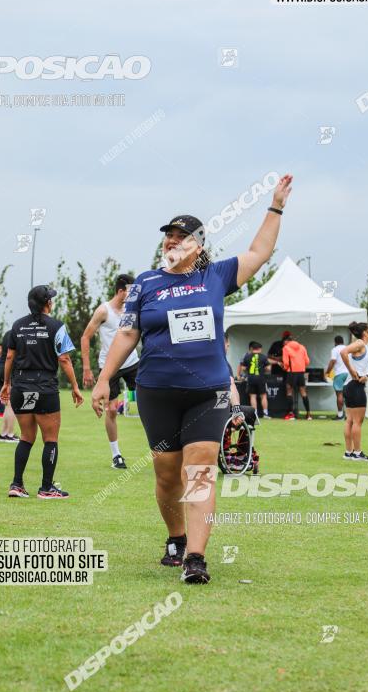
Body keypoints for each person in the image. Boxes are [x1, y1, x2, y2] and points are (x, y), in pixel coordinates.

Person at [92, 174, 294, 584]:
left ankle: (196, 559)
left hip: (208, 391)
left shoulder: (215, 277)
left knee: (199, 468)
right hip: (157, 392)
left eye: (180, 238)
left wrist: (275, 207)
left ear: (197, 246)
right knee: (166, 473)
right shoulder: (146, 283)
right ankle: (176, 539)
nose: (171, 242)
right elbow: (128, 333)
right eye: (168, 237)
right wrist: (103, 378)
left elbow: (260, 251)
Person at [0, 285, 83, 498]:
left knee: (26, 437)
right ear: (48, 303)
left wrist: (6, 383)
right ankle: (46, 487)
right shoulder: (57, 326)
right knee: (50, 439)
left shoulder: (17, 326)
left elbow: (9, 357)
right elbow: (64, 359)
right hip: (45, 388)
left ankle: (16, 484)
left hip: (21, 386)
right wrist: (74, 386)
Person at [81, 274, 139, 469]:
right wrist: (87, 369)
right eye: (130, 292)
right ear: (121, 291)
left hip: (132, 363)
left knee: (150, 402)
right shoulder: (103, 311)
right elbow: (85, 337)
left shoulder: (132, 309)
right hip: (109, 366)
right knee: (112, 410)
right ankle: (116, 456)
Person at [340, 322, 368, 461]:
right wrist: (351, 370)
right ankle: (358, 453)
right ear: (365, 332)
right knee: (357, 422)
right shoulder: (360, 343)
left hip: (350, 385)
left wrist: (366, 375)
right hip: (354, 386)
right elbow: (343, 352)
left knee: (350, 420)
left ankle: (349, 452)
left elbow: (363, 366)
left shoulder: (362, 346)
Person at [282, 333, 311, 421]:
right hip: (301, 372)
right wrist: (301, 366)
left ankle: (291, 414)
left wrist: (285, 367)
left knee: (289, 392)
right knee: (303, 392)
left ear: (286, 341)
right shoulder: (302, 347)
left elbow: (286, 363)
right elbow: (307, 361)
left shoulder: (286, 348)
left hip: (291, 372)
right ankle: (309, 414)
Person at [0, 331, 19, 443]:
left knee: (7, 404)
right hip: (9, 368)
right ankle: (9, 434)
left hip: (1, 367)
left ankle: (3, 433)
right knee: (12, 404)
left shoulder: (7, 333)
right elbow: (12, 355)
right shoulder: (16, 333)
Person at [240, 342, 270, 418]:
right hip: (261, 379)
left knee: (253, 396)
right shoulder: (263, 357)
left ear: (252, 349)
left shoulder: (247, 357)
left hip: (251, 379)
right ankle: (265, 413)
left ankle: (255, 414)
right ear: (260, 349)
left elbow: (243, 368)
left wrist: (248, 370)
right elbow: (268, 368)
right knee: (263, 396)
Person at [326, 335, 348, 419]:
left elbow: (333, 361)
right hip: (348, 374)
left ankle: (340, 415)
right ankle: (348, 415)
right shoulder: (347, 348)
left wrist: (327, 371)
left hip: (339, 374)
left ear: (335, 342)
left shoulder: (335, 349)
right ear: (343, 341)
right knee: (347, 395)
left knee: (339, 394)